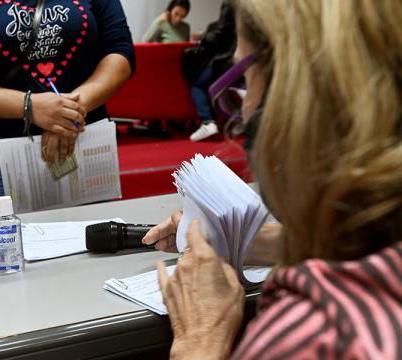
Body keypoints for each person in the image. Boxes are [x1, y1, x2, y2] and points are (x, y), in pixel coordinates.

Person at [143, 0, 402, 358]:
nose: (244, 111)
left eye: (244, 82)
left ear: (297, 99)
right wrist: (261, 241)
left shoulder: (312, 335)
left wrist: (200, 340)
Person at [0, 0, 135, 217]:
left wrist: (68, 111)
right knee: (3, 246)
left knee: (95, 244)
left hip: (82, 145)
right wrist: (29, 107)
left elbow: (120, 49)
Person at [182, 0, 236, 142]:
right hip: (240, 60)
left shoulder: (231, 3)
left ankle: (207, 122)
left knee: (197, 84)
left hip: (224, 60)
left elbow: (221, 32)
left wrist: (203, 37)